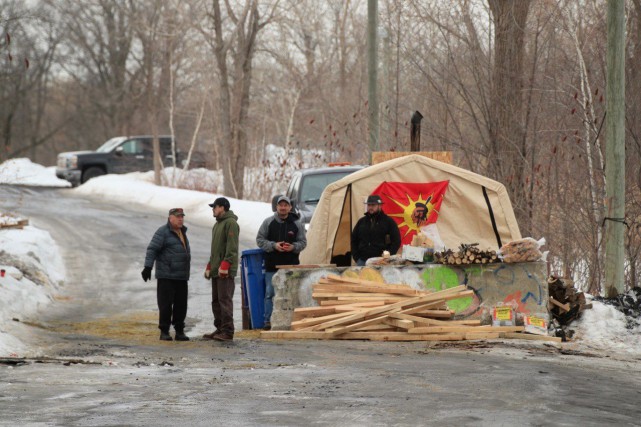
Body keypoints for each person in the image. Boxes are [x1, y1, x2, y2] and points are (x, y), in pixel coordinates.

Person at [256, 195, 307, 330]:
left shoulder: (297, 223)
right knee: (270, 294)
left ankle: (292, 320)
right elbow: (260, 240)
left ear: (290, 207)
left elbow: (303, 242)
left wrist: (293, 247)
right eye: (281, 205)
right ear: (276, 207)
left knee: (292, 293)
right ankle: (268, 321)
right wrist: (274, 245)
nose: (283, 208)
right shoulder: (268, 222)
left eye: (286, 205)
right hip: (272, 265)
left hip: (291, 266)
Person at [142, 208, 191, 341]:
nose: (181, 218)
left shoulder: (182, 232)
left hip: (181, 276)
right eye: (178, 216)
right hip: (166, 275)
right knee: (165, 305)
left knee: (181, 305)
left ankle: (179, 331)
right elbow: (152, 249)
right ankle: (164, 331)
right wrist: (148, 267)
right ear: (170, 218)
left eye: (182, 216)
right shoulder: (163, 232)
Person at [202, 197, 239, 342]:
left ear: (222, 207)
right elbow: (215, 250)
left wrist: (226, 264)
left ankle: (228, 331)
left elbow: (232, 247)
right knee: (216, 301)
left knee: (225, 300)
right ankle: (220, 328)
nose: (213, 209)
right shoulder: (217, 225)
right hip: (217, 270)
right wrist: (210, 265)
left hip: (225, 271)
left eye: (215, 207)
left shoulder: (231, 223)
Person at [351, 194, 401, 266]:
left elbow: (396, 241)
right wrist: (356, 257)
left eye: (373, 205)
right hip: (362, 261)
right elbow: (354, 239)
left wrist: (387, 257)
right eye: (369, 205)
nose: (370, 207)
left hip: (381, 262)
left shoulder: (388, 222)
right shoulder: (361, 222)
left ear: (380, 206)